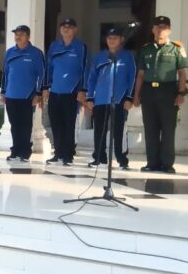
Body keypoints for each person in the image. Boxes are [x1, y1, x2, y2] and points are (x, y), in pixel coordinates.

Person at [133, 16, 188, 173]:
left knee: (168, 129)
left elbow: (182, 73)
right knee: (150, 128)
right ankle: (152, 162)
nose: (160, 30)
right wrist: (136, 95)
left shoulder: (176, 49)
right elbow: (141, 75)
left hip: (168, 91)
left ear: (169, 30)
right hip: (149, 91)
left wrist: (181, 93)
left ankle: (167, 164)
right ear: (152, 30)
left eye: (163, 27)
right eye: (157, 27)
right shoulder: (145, 49)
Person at [85, 28, 136, 169]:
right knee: (99, 130)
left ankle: (121, 159)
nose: (111, 40)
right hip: (101, 99)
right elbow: (92, 78)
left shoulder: (127, 57)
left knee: (119, 131)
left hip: (119, 100)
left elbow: (132, 78)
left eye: (115, 38)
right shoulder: (99, 57)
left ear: (121, 40)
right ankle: (99, 158)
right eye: (109, 38)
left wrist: (129, 98)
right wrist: (90, 97)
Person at [44, 18, 87, 166]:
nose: (66, 29)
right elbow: (49, 67)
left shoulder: (81, 47)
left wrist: (83, 89)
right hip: (55, 91)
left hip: (72, 92)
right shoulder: (54, 46)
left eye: (69, 27)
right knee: (56, 124)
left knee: (69, 124)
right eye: (63, 27)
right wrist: (46, 87)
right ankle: (58, 154)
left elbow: (85, 68)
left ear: (75, 30)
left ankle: (68, 155)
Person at [0, 25, 45, 162]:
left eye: (21, 34)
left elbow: (42, 75)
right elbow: (5, 74)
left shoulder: (36, 53)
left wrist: (38, 93)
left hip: (27, 96)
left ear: (28, 36)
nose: (18, 37)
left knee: (25, 126)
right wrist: (3, 92)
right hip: (11, 95)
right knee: (14, 125)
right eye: (16, 34)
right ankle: (15, 151)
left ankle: (25, 152)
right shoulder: (9, 53)